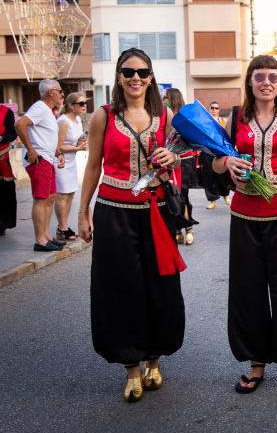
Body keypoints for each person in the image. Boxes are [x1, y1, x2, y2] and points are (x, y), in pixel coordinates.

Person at [78, 47, 185, 402]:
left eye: (141, 72)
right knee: (121, 289)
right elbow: (93, 165)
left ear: (151, 78)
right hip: (114, 211)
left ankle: (155, 360)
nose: (135, 78)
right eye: (128, 72)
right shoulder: (103, 116)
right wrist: (83, 210)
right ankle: (132, 368)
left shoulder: (165, 115)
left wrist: (172, 157)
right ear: (119, 78)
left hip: (155, 210)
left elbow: (179, 155)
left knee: (160, 286)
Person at [211, 55, 277, 394]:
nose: (266, 82)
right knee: (248, 289)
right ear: (250, 83)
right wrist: (227, 161)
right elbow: (215, 162)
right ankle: (256, 361)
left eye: (272, 76)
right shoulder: (236, 117)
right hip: (244, 215)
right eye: (259, 77)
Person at [15, 79, 65, 251]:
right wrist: (30, 149)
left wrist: (58, 152)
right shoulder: (39, 107)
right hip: (39, 160)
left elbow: (45, 136)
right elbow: (19, 124)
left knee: (50, 198)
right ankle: (40, 241)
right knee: (41, 199)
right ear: (51, 92)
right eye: (60, 91)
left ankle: (46, 236)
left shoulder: (47, 111)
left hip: (48, 158)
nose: (62, 94)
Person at [164, 88, 199, 245]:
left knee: (182, 194)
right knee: (171, 195)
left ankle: (189, 228)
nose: (163, 99)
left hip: (185, 161)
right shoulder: (163, 116)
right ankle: (177, 229)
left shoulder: (184, 116)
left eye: (166, 97)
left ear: (173, 98)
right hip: (167, 161)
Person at [55, 92, 88, 241]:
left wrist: (82, 141)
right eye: (81, 104)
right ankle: (62, 228)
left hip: (71, 160)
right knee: (62, 196)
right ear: (71, 105)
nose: (84, 106)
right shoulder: (63, 121)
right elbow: (58, 146)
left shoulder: (78, 120)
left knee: (70, 195)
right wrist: (77, 148)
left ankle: (64, 226)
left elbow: (75, 141)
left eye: (85, 103)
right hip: (60, 161)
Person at [203, 101, 231, 209]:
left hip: (221, 152)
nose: (214, 110)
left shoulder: (224, 121)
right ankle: (212, 200)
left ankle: (226, 196)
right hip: (207, 151)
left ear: (219, 110)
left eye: (216, 108)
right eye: (212, 108)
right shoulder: (204, 122)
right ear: (209, 109)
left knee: (223, 176)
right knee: (209, 177)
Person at [0, 103, 17, 235]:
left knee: (4, 193)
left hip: (1, 158)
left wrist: (2, 138)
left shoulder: (6, 112)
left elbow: (12, 134)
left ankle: (2, 224)